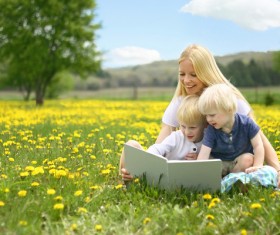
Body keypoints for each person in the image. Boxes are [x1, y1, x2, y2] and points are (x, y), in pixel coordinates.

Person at [120, 44, 280, 187]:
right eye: (182, 74)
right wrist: (150, 165)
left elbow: (260, 138)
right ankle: (127, 176)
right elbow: (164, 137)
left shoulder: (227, 100)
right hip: (190, 164)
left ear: (206, 73)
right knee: (131, 147)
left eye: (193, 75)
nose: (186, 80)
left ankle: (231, 183)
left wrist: (278, 170)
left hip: (224, 163)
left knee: (246, 161)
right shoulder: (180, 102)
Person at [119, 95, 207, 174]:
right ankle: (124, 178)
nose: (187, 132)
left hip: (186, 182)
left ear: (205, 125)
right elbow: (156, 149)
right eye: (183, 126)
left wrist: (199, 159)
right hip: (163, 175)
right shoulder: (176, 137)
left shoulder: (207, 142)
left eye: (192, 127)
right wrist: (154, 162)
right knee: (131, 145)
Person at [196, 83, 264, 177]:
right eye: (206, 115)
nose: (208, 119)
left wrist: (258, 166)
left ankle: (232, 180)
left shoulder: (247, 123)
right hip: (220, 164)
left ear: (229, 109)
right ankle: (221, 182)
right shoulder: (211, 130)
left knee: (248, 159)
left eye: (212, 115)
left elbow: (258, 145)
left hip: (238, 164)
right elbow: (203, 155)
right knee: (209, 164)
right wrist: (198, 172)